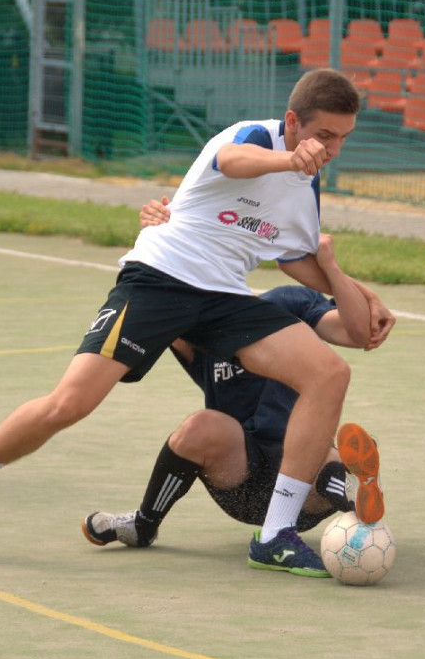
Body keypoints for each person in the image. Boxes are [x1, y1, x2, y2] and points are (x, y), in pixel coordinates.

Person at [0, 68, 369, 577]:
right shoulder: (256, 137)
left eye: (344, 139)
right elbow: (232, 161)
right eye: (324, 136)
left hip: (224, 297)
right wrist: (288, 158)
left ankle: (275, 534)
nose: (333, 149)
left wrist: (355, 291)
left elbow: (295, 257)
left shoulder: (308, 183)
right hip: (160, 281)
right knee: (68, 404)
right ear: (293, 122)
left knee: (329, 374)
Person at [81, 210, 396, 551]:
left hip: (303, 483)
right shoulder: (196, 322)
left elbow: (358, 332)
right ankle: (143, 524)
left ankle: (354, 497)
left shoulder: (286, 304)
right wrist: (156, 240)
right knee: (202, 425)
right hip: (238, 478)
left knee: (331, 455)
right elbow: (151, 298)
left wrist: (331, 269)